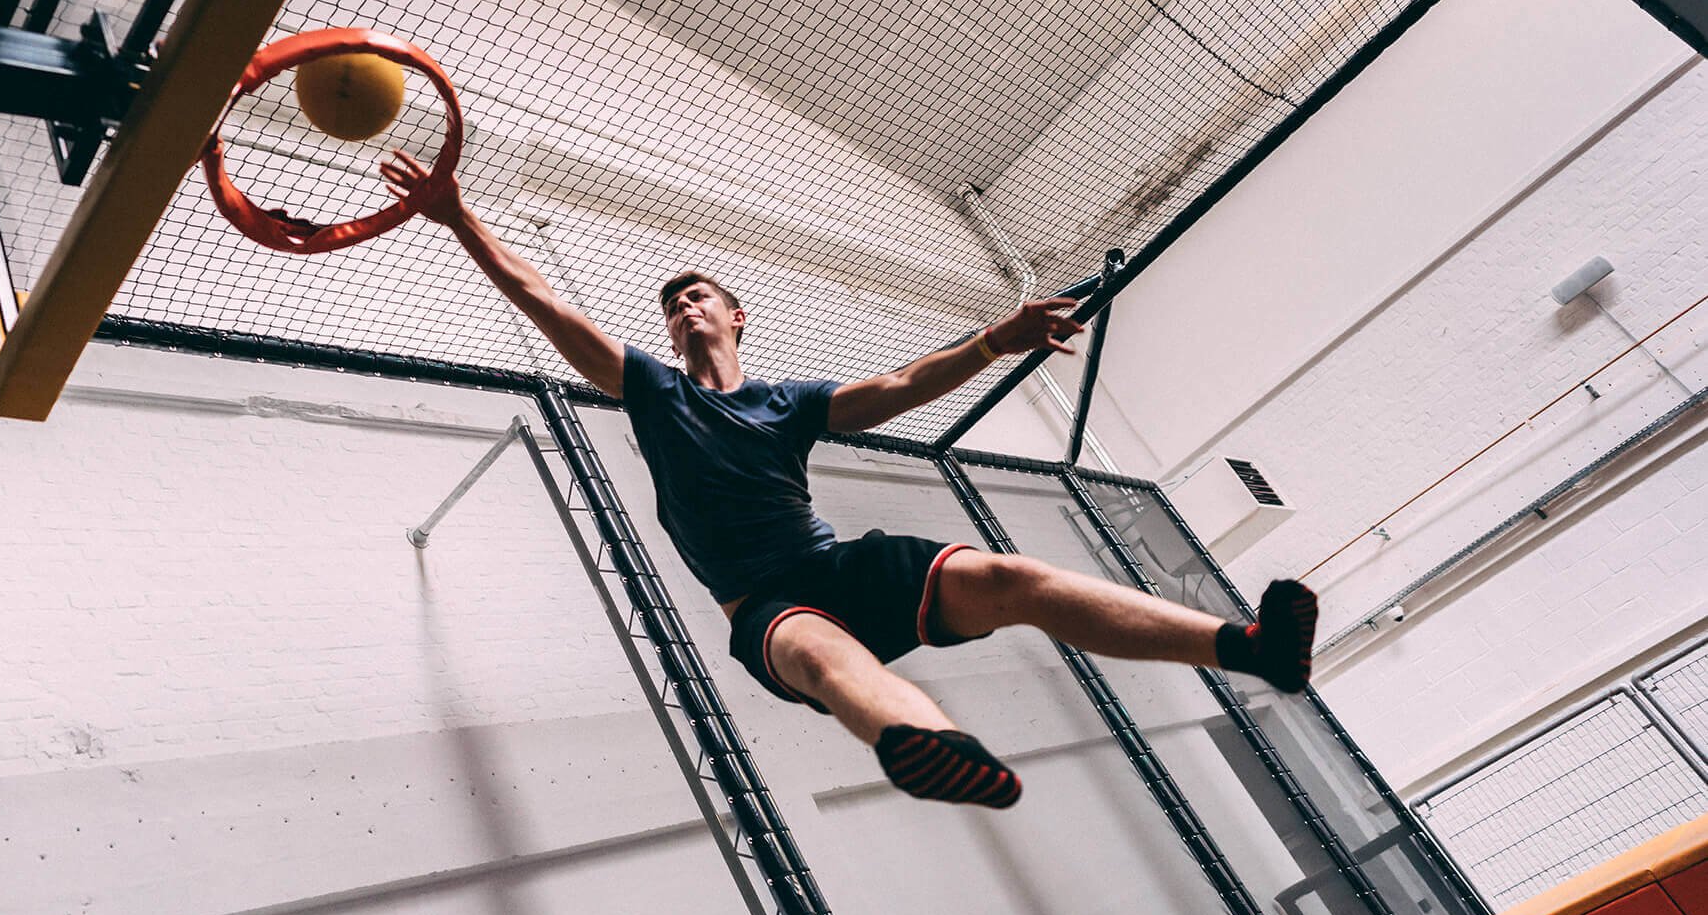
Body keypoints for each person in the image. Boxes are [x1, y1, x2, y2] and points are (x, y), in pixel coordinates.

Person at [382, 151, 1317, 809]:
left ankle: (1251, 649)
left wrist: (997, 339)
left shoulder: (789, 404)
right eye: (670, 306)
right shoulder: (653, 391)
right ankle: (932, 746)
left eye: (696, 294)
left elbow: (900, 386)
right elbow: (543, 301)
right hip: (771, 609)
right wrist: (458, 213)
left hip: (840, 569)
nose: (681, 307)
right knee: (827, 660)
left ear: (737, 316)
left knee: (1014, 580)